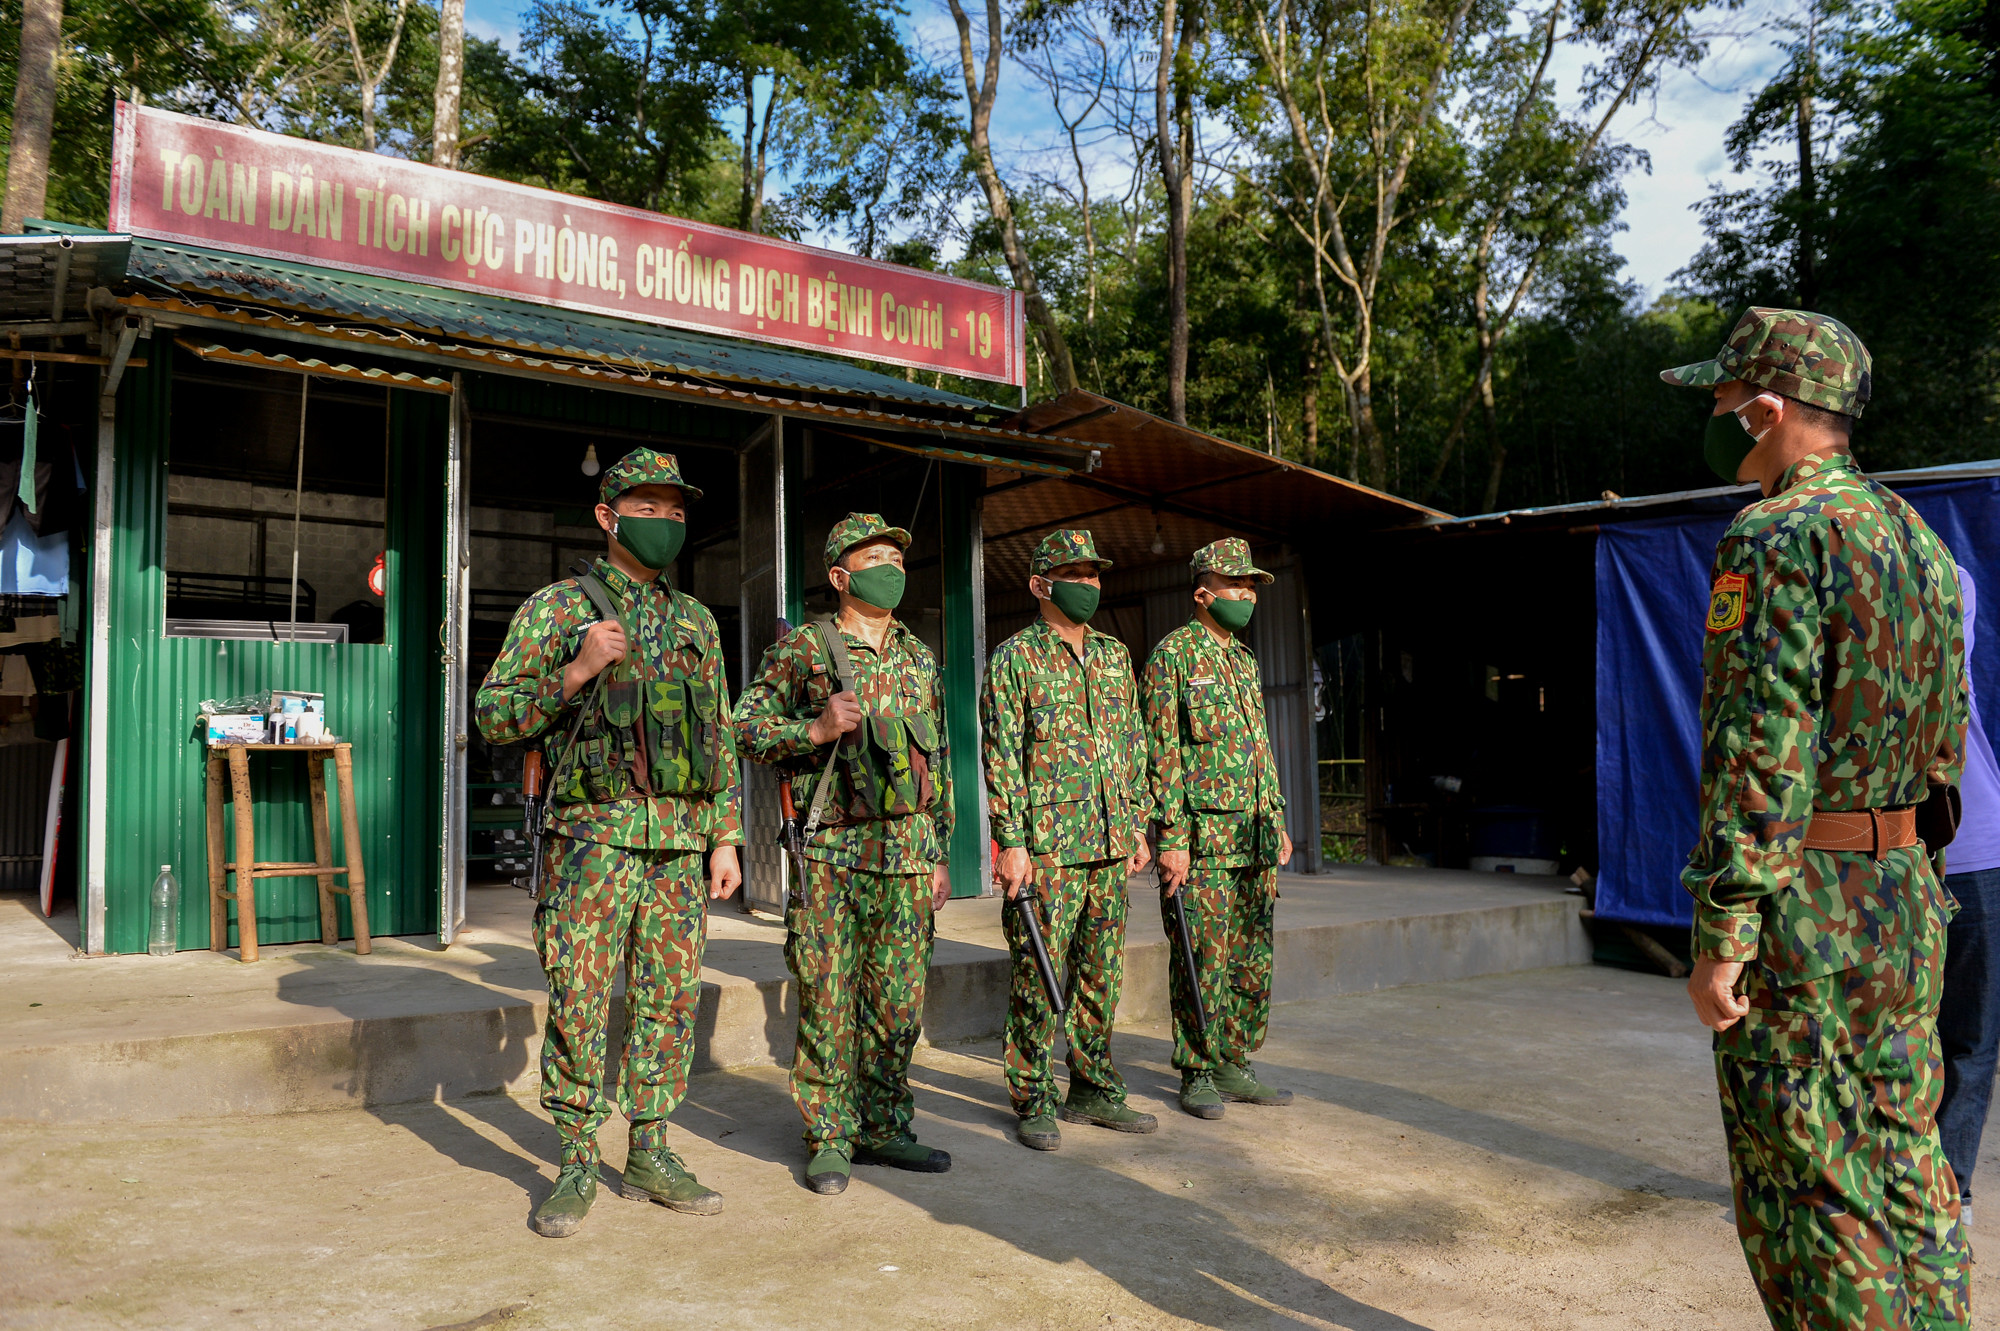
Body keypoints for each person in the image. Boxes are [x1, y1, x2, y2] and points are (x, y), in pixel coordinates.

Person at [1669, 308, 1971, 1324]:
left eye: (1719, 403)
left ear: (1765, 407)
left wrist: (1725, 928)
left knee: (1813, 1186)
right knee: (1903, 1158)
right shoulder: (1912, 536)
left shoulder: (1773, 533)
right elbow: (1945, 732)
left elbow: (1762, 748)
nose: (1713, 423)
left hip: (1808, 908)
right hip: (1903, 894)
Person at [475, 447, 743, 1239]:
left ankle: (653, 1150)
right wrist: (577, 670)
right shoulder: (560, 609)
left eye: (677, 510)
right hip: (591, 840)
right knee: (581, 1000)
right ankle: (576, 1158)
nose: (666, 521)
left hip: (678, 846)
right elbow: (493, 715)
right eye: (649, 507)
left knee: (668, 1000)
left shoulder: (696, 620)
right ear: (608, 516)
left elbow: (718, 737)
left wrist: (724, 837)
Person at [732, 512, 954, 1195]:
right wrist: (816, 727)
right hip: (832, 855)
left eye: (896, 554)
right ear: (840, 575)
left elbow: (935, 757)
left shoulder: (918, 655)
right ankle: (830, 1135)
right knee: (828, 1000)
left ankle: (885, 1126)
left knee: (896, 1004)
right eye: (875, 556)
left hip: (909, 855)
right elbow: (744, 725)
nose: (890, 565)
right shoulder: (806, 647)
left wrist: (941, 849)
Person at [981, 528, 1157, 1151]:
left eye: (1093, 576)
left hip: (1110, 843)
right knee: (1038, 974)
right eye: (1073, 575)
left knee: (1099, 974)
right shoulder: (1014, 659)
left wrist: (1138, 824)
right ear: (1039, 585)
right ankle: (1032, 1097)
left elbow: (1134, 745)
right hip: (1050, 849)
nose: (1087, 586)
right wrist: (1013, 841)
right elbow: (1001, 753)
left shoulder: (1113, 655)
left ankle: (1093, 1087)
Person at [1140, 537, 1295, 1120]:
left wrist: (1276, 820)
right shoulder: (1173, 656)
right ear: (1204, 593)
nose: (1248, 596)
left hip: (1253, 836)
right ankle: (1198, 1070)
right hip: (1202, 842)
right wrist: (1172, 839)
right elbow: (1163, 754)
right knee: (1200, 955)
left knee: (1252, 956)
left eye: (1252, 586)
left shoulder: (1245, 661)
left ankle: (1234, 1059)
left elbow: (1261, 749)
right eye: (1238, 586)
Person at [1936, 565, 2000, 1232]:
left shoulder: (1946, 575)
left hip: (1976, 844)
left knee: (1970, 1036)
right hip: (1884, 855)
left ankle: (1950, 1190)